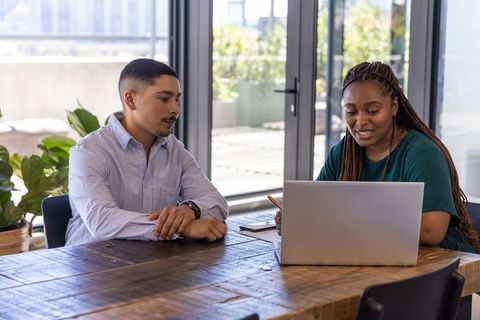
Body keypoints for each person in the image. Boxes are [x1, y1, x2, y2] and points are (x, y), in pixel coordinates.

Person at [276, 61, 480, 253]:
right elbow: (317, 207)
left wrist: (347, 221)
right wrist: (297, 219)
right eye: (351, 111)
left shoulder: (423, 153)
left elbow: (431, 231)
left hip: (439, 270)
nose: (361, 120)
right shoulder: (343, 152)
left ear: (394, 107)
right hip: (373, 259)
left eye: (373, 110)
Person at [66, 58, 228, 246]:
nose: (175, 109)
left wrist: (190, 210)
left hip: (154, 262)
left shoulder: (174, 149)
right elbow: (101, 221)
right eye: (164, 99)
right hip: (92, 267)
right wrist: (180, 228)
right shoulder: (88, 151)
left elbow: (217, 202)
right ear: (130, 99)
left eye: (177, 100)